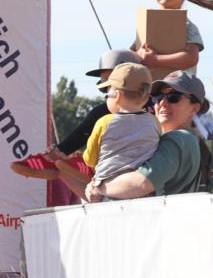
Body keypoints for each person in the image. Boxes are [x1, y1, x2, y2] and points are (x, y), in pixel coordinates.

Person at [11, 49, 142, 179]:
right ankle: (67, 160)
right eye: (105, 88)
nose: (108, 93)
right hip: (131, 167)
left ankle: (71, 160)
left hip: (143, 167)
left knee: (102, 113)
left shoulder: (153, 105)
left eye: (111, 85)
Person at [86, 71, 213, 201]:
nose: (162, 103)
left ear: (195, 108)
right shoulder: (183, 140)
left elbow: (141, 183)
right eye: (157, 96)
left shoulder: (180, 138)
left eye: (173, 97)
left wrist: (99, 187)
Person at [56, 63, 159, 200]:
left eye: (107, 92)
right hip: (143, 191)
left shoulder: (104, 122)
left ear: (117, 96)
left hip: (109, 190)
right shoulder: (154, 122)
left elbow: (90, 160)